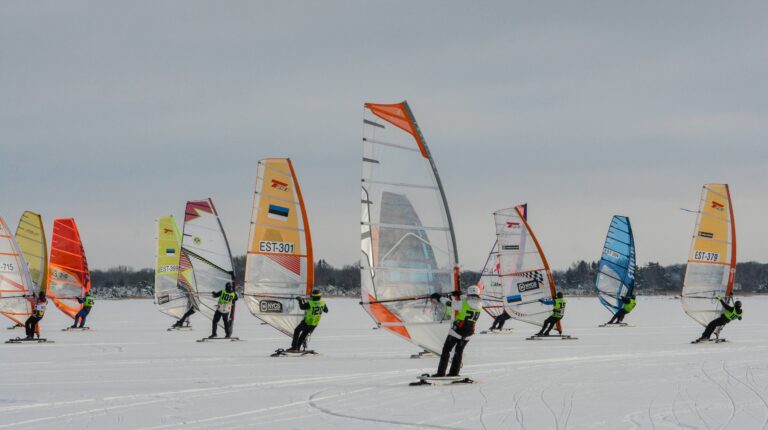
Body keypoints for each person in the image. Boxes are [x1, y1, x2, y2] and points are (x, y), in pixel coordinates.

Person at [431, 285, 483, 377]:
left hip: (457, 331)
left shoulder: (463, 303)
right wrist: (459, 295)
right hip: (469, 333)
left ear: (468, 294)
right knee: (459, 352)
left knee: (446, 350)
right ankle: (454, 372)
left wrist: (439, 297)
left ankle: (441, 373)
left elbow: (449, 303)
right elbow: (469, 300)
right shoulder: (480, 305)